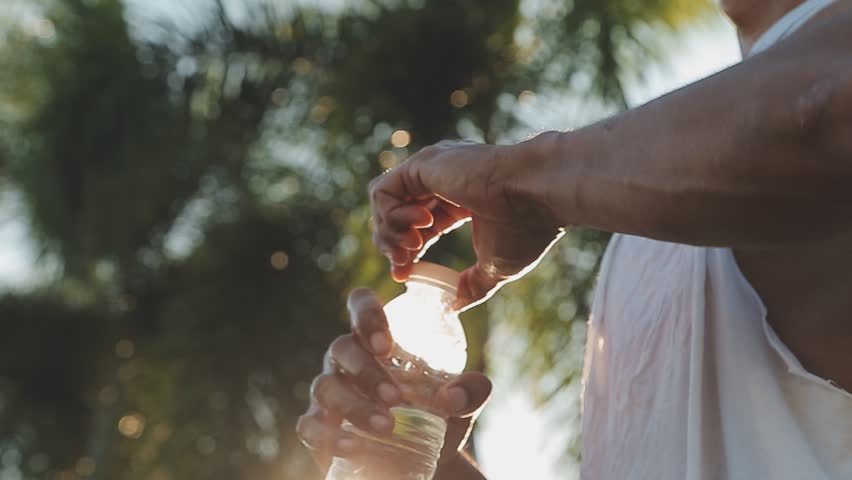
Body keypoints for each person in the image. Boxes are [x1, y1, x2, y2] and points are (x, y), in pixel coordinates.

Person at [297, 0, 852, 477]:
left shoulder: (801, 106)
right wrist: (425, 461)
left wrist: (519, 182)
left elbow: (828, 104)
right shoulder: (665, 214)